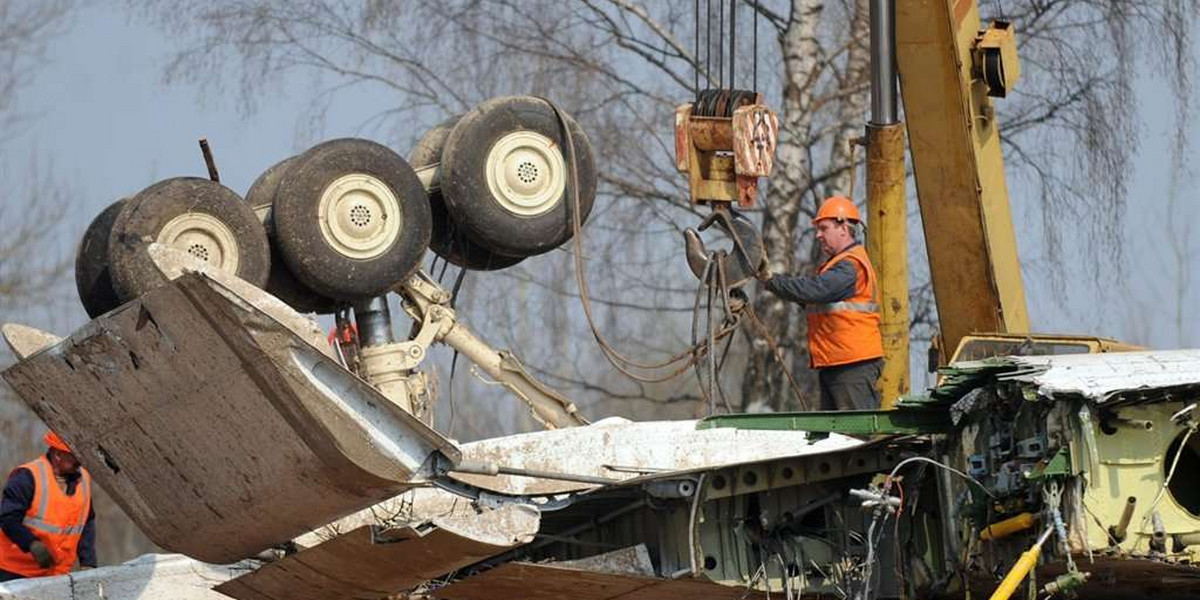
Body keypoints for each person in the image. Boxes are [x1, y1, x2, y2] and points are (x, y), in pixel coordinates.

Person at [758, 195, 884, 410]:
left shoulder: (849, 266)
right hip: (840, 362)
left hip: (851, 364)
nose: (818, 235)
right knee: (839, 436)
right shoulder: (839, 266)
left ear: (843, 228)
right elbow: (815, 301)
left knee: (854, 436)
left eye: (824, 228)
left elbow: (814, 291)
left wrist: (772, 280)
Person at [0, 431, 96, 581]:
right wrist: (32, 544)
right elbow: (8, 519)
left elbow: (87, 522)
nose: (80, 460)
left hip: (56, 576)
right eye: (74, 456)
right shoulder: (27, 476)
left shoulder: (83, 479)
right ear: (58, 454)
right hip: (14, 572)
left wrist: (88, 562)